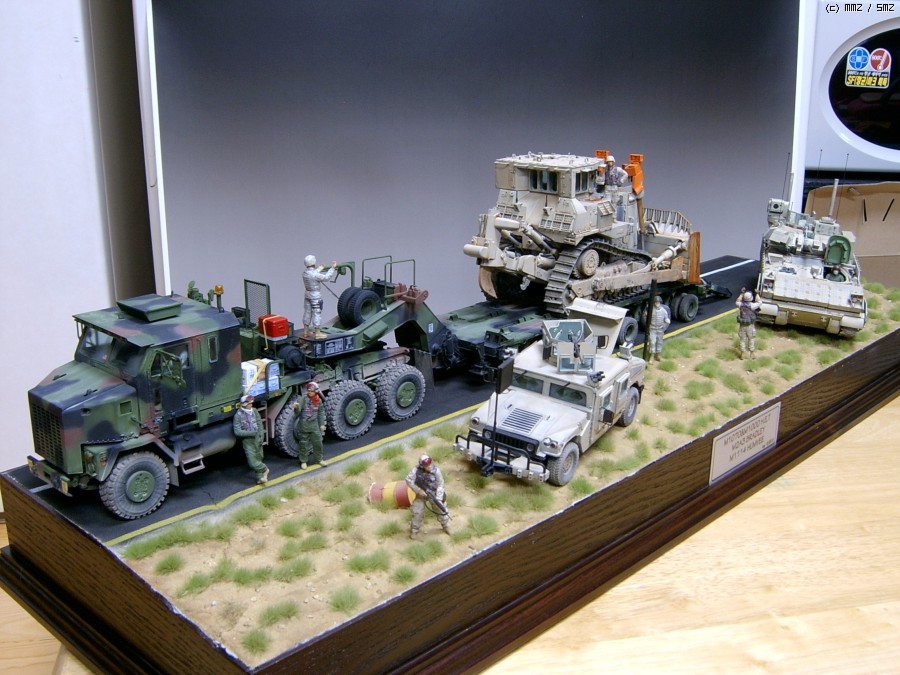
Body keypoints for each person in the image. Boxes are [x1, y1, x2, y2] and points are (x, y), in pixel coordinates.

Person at [405, 454, 452, 539]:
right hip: (421, 494)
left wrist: (438, 498)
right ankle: (414, 530)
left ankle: (446, 525)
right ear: (422, 466)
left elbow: (440, 484)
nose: (429, 466)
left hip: (433, 493)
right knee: (417, 511)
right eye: (426, 465)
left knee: (440, 508)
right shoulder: (416, 471)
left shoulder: (436, 471)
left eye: (430, 464)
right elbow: (408, 480)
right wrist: (418, 490)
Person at [233, 394, 268, 484]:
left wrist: (261, 435)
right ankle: (265, 469)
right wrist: (251, 433)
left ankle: (260, 477)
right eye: (249, 403)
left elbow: (259, 423)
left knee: (259, 457)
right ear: (244, 404)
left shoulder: (254, 411)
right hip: (248, 441)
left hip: (257, 439)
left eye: (251, 403)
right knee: (252, 462)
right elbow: (237, 431)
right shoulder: (238, 416)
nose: (251, 405)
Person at [293, 382, 327, 469]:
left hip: (314, 424)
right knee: (303, 444)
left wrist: (321, 424)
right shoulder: (303, 399)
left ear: (315, 391)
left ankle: (319, 459)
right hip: (304, 425)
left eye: (312, 391)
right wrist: (296, 408)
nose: (310, 392)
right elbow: (297, 412)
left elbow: (320, 412)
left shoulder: (318, 400)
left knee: (318, 443)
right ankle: (303, 461)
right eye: (309, 391)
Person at [303, 255, 338, 338]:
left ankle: (306, 331)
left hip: (307, 295)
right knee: (316, 313)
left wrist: (319, 269)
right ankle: (318, 333)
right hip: (315, 296)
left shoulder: (305, 273)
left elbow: (313, 273)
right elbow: (326, 277)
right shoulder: (315, 274)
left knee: (307, 312)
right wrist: (332, 268)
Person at [736, 289, 762, 360]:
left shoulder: (740, 305)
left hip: (742, 325)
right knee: (751, 339)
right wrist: (757, 294)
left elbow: (737, 301)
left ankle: (742, 353)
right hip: (750, 325)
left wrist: (741, 293)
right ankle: (752, 353)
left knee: (742, 339)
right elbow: (759, 302)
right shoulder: (752, 306)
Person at [647, 296, 670, 362]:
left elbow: (666, 318)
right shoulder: (651, 310)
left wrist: (667, 320)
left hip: (660, 329)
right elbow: (647, 317)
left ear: (660, 302)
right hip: (653, 328)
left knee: (659, 342)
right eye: (656, 302)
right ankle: (652, 356)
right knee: (652, 342)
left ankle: (658, 355)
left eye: (658, 302)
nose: (657, 303)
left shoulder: (663, 311)